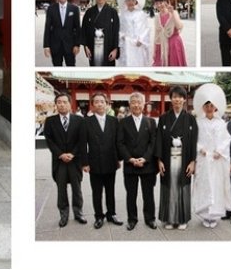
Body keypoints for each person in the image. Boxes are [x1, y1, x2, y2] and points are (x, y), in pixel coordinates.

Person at [155, 86, 198, 230]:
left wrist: (193, 161)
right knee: (169, 188)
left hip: (184, 159)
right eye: (174, 97)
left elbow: (194, 141)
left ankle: (182, 219)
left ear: (184, 99)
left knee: (182, 188)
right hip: (167, 159)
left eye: (180, 97)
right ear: (171, 99)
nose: (177, 100)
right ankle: (168, 219)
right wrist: (159, 160)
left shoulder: (191, 119)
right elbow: (159, 139)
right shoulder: (163, 118)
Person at [43, 93, 88, 228]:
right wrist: (61, 154)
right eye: (59, 102)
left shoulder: (79, 120)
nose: (61, 104)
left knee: (77, 188)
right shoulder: (50, 121)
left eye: (64, 102)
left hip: (75, 161)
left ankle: (78, 212)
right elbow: (49, 141)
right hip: (59, 161)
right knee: (61, 188)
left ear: (70, 104)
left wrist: (73, 154)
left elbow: (82, 141)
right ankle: (64, 214)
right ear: (56, 105)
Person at [192, 84, 231, 228]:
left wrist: (219, 151)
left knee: (216, 186)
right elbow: (194, 139)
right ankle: (204, 214)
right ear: (203, 107)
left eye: (211, 105)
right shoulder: (198, 122)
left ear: (216, 107)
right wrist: (200, 148)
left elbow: (226, 139)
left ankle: (214, 215)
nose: (209, 108)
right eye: (206, 105)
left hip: (216, 160)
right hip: (203, 158)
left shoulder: (221, 123)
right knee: (203, 185)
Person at [117, 92, 158, 231]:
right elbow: (120, 143)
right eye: (133, 102)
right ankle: (132, 219)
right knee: (131, 194)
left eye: (139, 102)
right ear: (129, 105)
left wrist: (145, 158)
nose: (136, 104)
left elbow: (153, 143)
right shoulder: (123, 122)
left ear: (143, 104)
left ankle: (150, 218)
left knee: (148, 194)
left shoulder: (151, 122)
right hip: (130, 164)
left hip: (147, 165)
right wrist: (130, 159)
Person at [83, 92, 123, 229]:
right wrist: (85, 163)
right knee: (97, 192)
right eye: (97, 101)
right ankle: (99, 216)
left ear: (107, 104)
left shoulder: (114, 121)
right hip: (94, 162)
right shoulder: (87, 121)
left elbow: (118, 142)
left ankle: (111, 214)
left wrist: (119, 159)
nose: (100, 104)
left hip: (111, 161)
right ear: (93, 105)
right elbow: (83, 144)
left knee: (110, 190)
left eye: (102, 101)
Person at [81, 0, 120, 67]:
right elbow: (84, 30)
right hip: (93, 47)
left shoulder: (113, 12)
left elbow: (116, 31)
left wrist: (115, 49)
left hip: (108, 49)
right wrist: (85, 46)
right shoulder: (89, 12)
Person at [43, 0, 81, 66]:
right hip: (55, 45)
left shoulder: (74, 9)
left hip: (70, 46)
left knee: (71, 67)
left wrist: (77, 44)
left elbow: (78, 28)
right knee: (57, 67)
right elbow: (47, 28)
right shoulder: (51, 9)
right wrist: (46, 46)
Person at [116, 0, 151, 67]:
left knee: (138, 65)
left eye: (133, 0)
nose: (130, 2)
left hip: (138, 45)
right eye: (128, 0)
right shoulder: (122, 15)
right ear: (125, 1)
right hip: (126, 45)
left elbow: (146, 29)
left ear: (136, 1)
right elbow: (118, 29)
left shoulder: (141, 14)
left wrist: (141, 40)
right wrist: (122, 36)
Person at [152, 0, 187, 67]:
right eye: (156, 3)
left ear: (165, 2)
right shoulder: (157, 17)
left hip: (174, 44)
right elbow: (156, 35)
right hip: (162, 44)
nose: (159, 5)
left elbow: (179, 27)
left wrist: (172, 13)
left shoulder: (173, 13)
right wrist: (154, 51)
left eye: (160, 2)